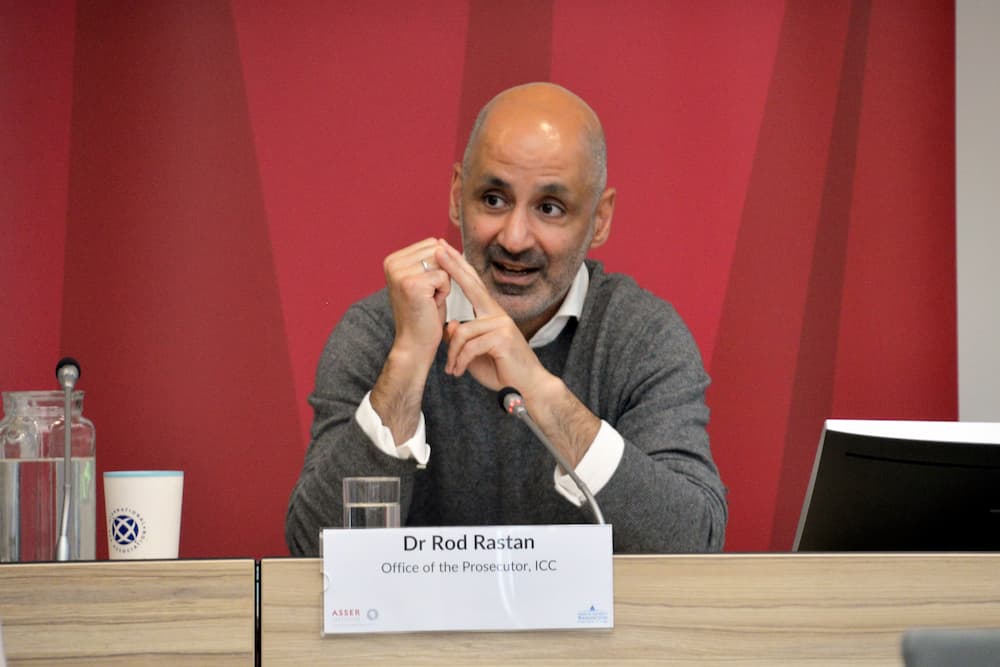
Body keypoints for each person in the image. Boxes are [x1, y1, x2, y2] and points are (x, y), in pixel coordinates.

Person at [286, 82, 726, 555]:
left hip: (590, 632)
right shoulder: (379, 333)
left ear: (599, 220)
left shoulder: (642, 337)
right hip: (421, 632)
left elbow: (693, 543)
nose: (515, 239)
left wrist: (541, 393)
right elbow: (313, 553)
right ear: (458, 195)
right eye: (493, 199)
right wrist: (409, 364)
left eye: (550, 208)